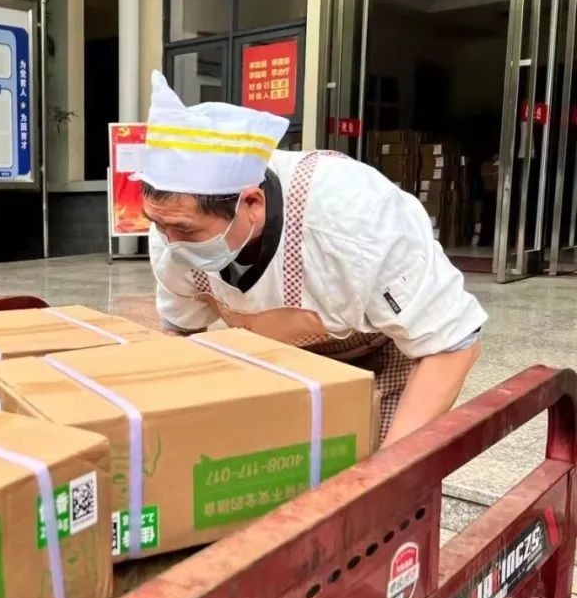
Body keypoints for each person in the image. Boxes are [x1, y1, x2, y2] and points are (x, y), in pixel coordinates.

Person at [142, 71, 486, 445]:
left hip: (377, 356)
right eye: (159, 225)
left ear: (252, 203)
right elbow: (181, 333)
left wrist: (390, 467)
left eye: (186, 230)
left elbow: (450, 345)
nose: (171, 242)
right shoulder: (171, 234)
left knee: (376, 468)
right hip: (280, 363)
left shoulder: (353, 218)